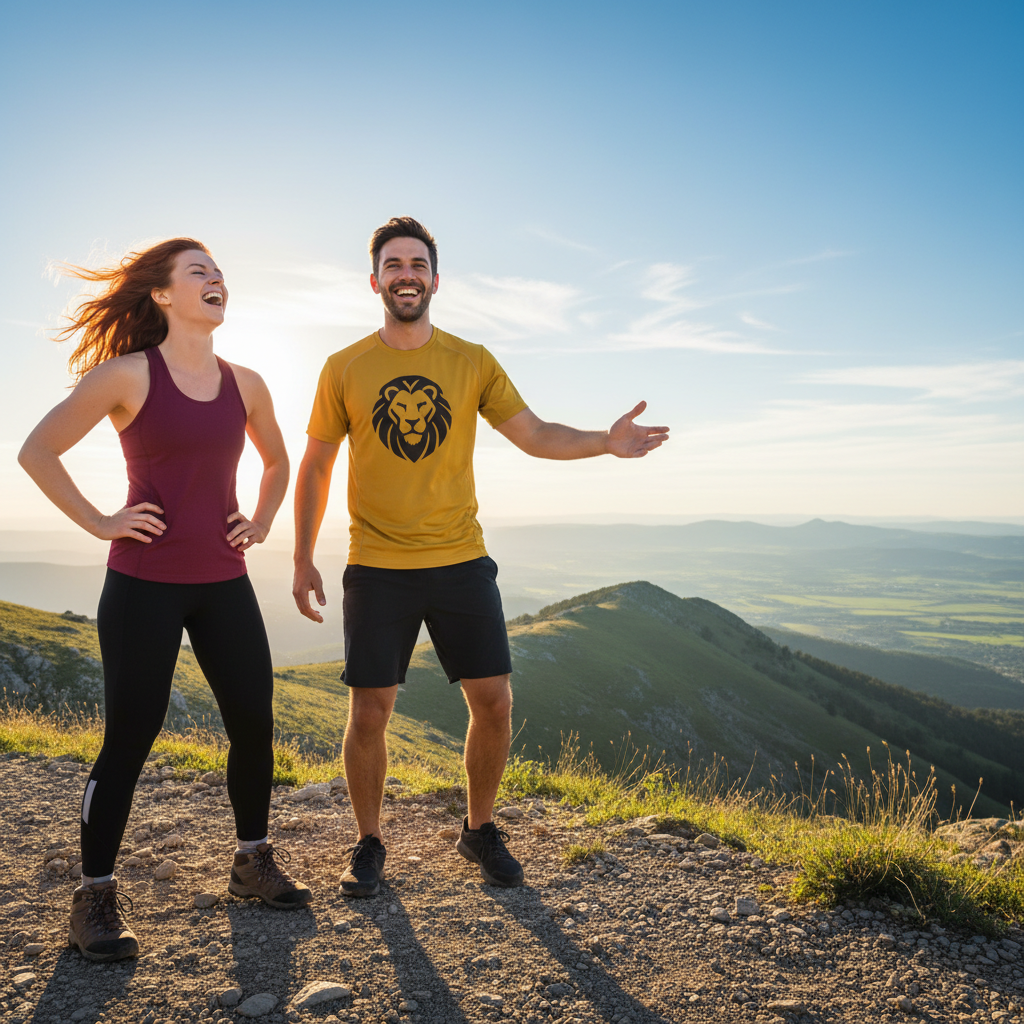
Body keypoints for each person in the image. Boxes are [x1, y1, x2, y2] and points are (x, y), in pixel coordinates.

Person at [292, 217, 669, 897]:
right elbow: (316, 464)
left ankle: (478, 829)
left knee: (494, 702)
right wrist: (300, 555)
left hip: (461, 559)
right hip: (376, 565)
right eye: (393, 264)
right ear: (374, 279)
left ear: (435, 279)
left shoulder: (471, 360)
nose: (405, 274)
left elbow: (534, 433)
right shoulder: (343, 366)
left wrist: (604, 443)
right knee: (369, 713)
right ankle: (369, 841)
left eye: (417, 264)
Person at [18, 238, 311, 962]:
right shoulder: (127, 375)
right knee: (130, 737)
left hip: (224, 583)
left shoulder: (247, 382)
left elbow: (277, 459)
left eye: (219, 272)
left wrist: (264, 519)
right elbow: (36, 450)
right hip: (143, 587)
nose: (216, 280)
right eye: (198, 272)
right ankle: (92, 897)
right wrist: (100, 521)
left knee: (253, 721)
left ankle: (251, 861)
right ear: (162, 295)